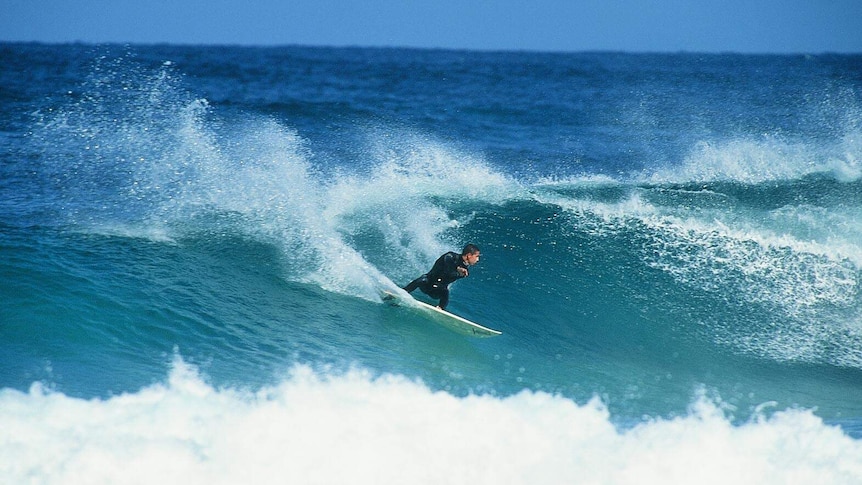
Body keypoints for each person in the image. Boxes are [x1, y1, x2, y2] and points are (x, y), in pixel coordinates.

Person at [403, 244, 481, 310]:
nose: (477, 260)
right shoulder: (450, 256)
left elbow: (451, 275)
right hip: (427, 284)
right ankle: (403, 292)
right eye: (477, 256)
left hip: (436, 291)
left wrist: (459, 273)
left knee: (445, 292)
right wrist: (457, 268)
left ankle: (440, 309)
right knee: (422, 279)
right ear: (469, 255)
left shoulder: (465, 271)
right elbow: (448, 264)